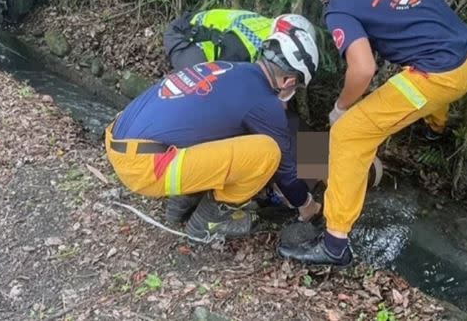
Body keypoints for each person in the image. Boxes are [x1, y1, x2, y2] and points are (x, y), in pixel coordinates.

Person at [278, 0, 467, 265]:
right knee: (408, 79)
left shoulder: (339, 7)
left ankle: (334, 244)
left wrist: (340, 109)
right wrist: (419, 12)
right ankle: (435, 129)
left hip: (439, 76)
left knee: (348, 134)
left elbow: (363, 69)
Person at [105, 23, 323, 240]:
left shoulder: (228, 68)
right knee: (268, 152)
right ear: (289, 81)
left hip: (118, 137)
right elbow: (287, 174)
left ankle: (182, 202)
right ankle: (209, 221)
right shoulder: (265, 104)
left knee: (226, 130)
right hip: (143, 167)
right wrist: (307, 205)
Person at [163, 8, 317, 71]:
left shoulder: (267, 29)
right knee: (205, 90)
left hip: (200, 30)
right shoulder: (246, 46)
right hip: (185, 36)